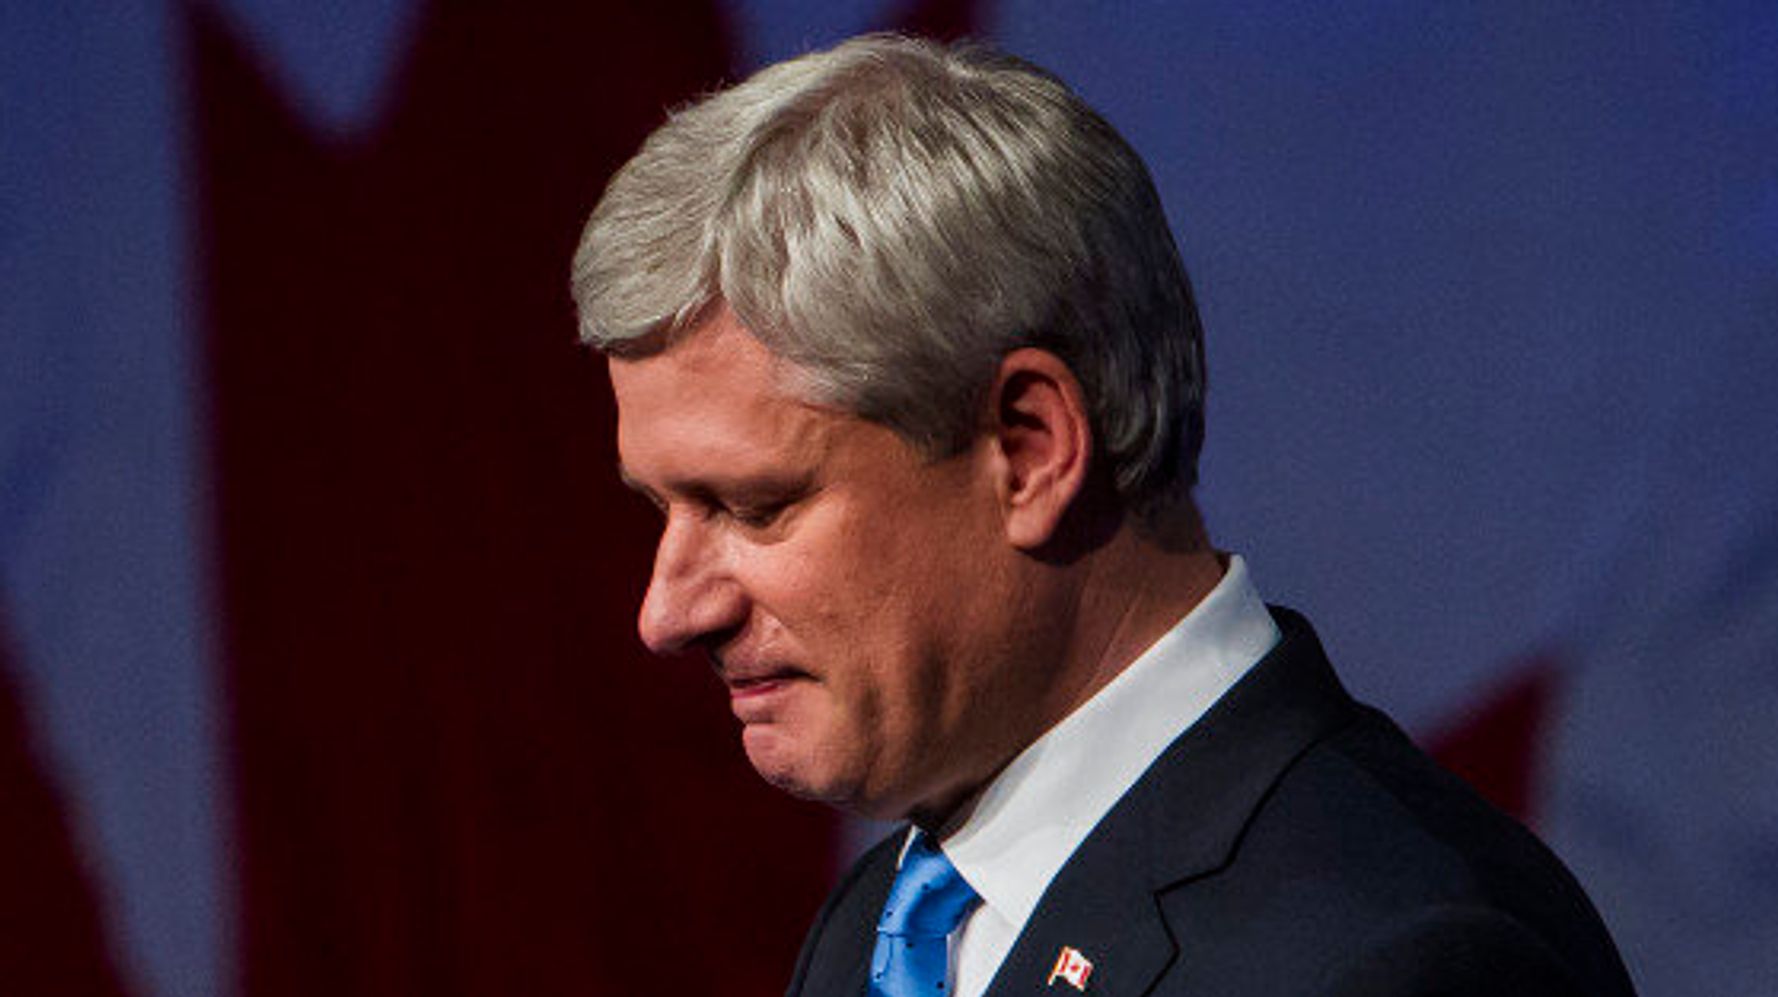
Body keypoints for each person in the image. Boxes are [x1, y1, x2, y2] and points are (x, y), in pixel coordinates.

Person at [570, 33, 1636, 997]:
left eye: (754, 505)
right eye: (659, 509)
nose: (666, 612)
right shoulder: (878, 933)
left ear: (1028, 450)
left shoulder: (1398, 956)